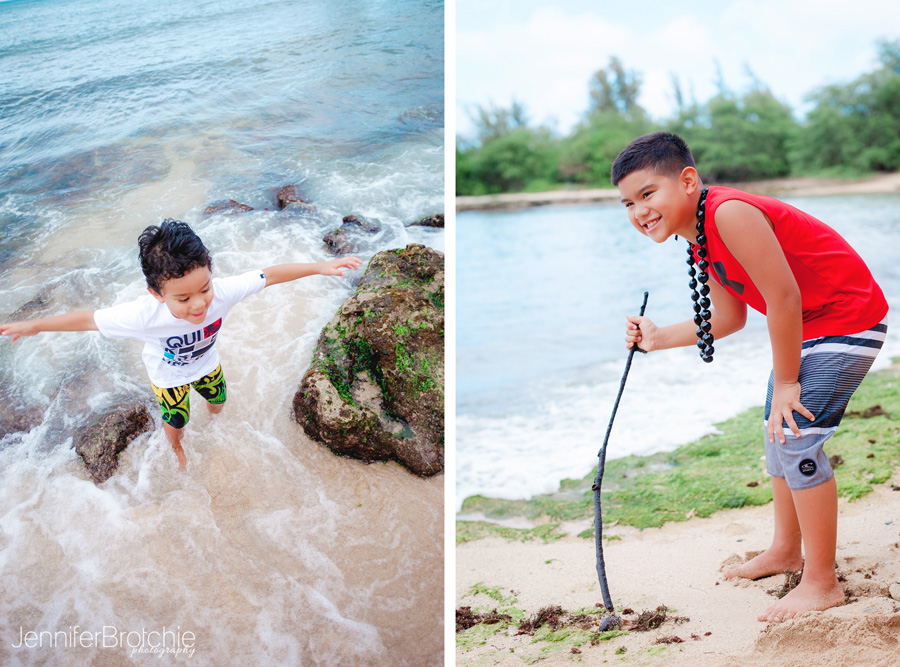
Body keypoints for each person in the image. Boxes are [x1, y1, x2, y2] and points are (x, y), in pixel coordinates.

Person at [611, 131, 888, 623]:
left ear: (688, 180)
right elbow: (729, 318)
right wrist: (657, 336)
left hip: (847, 319)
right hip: (814, 328)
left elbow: (783, 298)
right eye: (628, 203)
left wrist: (787, 384)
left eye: (648, 194)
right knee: (778, 432)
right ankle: (786, 550)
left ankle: (822, 582)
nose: (638, 211)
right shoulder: (697, 235)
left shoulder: (727, 213)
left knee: (798, 438)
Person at [0, 219, 362, 469]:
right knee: (177, 417)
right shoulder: (144, 315)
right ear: (156, 294)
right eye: (183, 299)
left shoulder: (221, 292)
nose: (200, 304)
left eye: (204, 289)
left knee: (218, 399)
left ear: (210, 273)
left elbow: (270, 274)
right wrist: (35, 325)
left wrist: (319, 266)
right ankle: (174, 445)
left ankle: (216, 422)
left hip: (206, 364)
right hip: (168, 377)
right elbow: (88, 319)